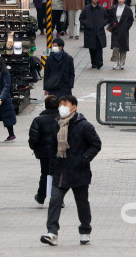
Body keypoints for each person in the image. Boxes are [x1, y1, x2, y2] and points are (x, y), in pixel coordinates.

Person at [40, 95, 102, 246]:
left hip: (79, 171)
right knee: (55, 201)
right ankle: (52, 232)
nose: (62, 107)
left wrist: (83, 159)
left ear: (74, 107)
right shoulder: (57, 125)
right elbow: (53, 148)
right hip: (60, 172)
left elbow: (96, 144)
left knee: (82, 203)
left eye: (65, 104)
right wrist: (52, 168)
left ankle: (85, 230)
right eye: (60, 104)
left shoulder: (84, 125)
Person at [29, 95, 60, 205]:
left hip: (44, 152)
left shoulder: (38, 120)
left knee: (45, 174)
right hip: (61, 152)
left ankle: (41, 197)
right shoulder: (64, 119)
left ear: (45, 105)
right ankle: (58, 199)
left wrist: (35, 148)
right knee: (58, 174)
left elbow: (33, 138)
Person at [80, 0, 109, 70]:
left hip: (99, 32)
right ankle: (93, 62)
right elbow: (81, 18)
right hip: (90, 32)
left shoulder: (101, 9)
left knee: (99, 48)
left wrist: (102, 24)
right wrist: (87, 24)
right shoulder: (87, 8)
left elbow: (106, 18)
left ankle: (99, 62)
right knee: (92, 48)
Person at [108, 0, 134, 70]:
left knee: (123, 47)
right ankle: (116, 61)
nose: (120, 0)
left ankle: (122, 63)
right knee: (115, 47)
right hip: (115, 30)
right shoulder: (114, 8)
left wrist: (127, 27)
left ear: (124, 0)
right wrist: (113, 23)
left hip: (123, 31)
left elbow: (131, 19)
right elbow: (110, 17)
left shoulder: (128, 9)